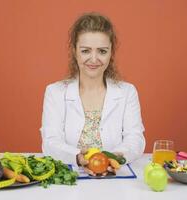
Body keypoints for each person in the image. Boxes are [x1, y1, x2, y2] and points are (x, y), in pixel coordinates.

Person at [40, 12, 145, 171]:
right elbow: (50, 141)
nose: (94, 59)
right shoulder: (55, 92)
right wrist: (77, 156)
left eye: (102, 51)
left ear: (111, 53)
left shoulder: (127, 92)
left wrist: (115, 158)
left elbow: (135, 139)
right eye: (86, 51)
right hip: (70, 181)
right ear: (75, 51)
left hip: (115, 178)